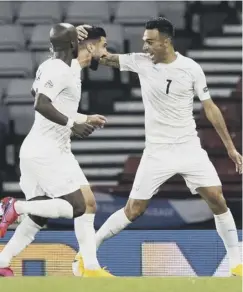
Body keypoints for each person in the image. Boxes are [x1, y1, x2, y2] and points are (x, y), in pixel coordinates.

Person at [76, 17, 242, 277]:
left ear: (166, 42)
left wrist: (230, 148)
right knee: (134, 210)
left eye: (150, 42)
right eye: (144, 42)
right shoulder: (140, 62)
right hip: (157, 151)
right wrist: (89, 44)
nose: (146, 47)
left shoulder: (191, 68)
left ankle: (236, 263)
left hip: (189, 147)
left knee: (217, 198)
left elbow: (210, 108)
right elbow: (106, 57)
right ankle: (87, 256)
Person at [0, 23, 113, 277]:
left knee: (73, 208)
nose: (105, 54)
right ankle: (14, 207)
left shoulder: (67, 68)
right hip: (45, 151)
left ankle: (3, 260)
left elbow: (37, 91)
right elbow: (41, 102)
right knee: (76, 207)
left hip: (54, 149)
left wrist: (83, 118)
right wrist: (74, 123)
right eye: (103, 46)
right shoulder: (60, 69)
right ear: (87, 45)